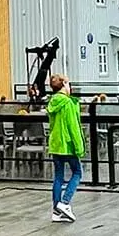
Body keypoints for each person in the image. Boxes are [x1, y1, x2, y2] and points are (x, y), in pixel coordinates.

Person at [46, 74, 85, 223]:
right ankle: (65, 202)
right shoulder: (68, 103)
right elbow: (73, 126)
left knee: (58, 177)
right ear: (65, 85)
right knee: (77, 173)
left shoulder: (53, 102)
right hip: (67, 144)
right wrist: (79, 146)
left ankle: (56, 210)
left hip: (55, 144)